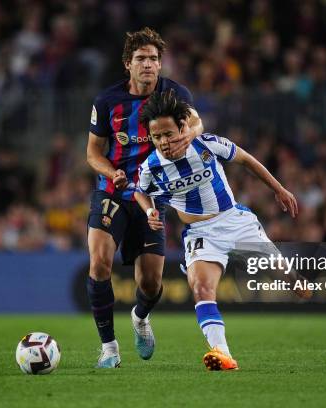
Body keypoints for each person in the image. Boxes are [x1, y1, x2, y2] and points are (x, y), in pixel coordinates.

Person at [135, 89, 302, 370]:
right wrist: (150, 210)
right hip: (200, 235)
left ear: (182, 128)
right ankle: (223, 354)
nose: (163, 142)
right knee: (201, 288)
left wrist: (279, 189)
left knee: (288, 279)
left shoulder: (205, 145)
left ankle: (306, 285)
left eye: (168, 134)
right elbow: (141, 191)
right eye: (157, 137)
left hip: (234, 222)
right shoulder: (151, 167)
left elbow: (246, 159)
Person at [86, 27, 203, 368]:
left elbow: (196, 122)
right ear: (128, 64)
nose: (149, 64)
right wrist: (112, 173)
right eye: (141, 59)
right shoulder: (107, 101)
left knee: (150, 283)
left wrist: (188, 136)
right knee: (99, 263)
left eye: (154, 58)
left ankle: (140, 318)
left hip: (152, 197)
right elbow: (93, 154)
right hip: (114, 191)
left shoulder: (174, 93)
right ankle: (109, 348)